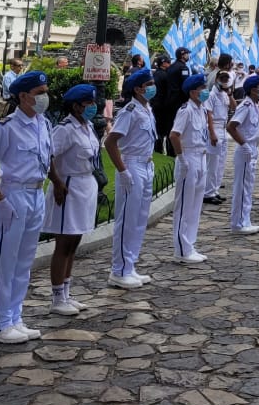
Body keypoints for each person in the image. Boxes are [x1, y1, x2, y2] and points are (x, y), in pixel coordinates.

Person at [0, 71, 54, 343]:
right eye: (39, 93)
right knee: (5, 261)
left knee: (24, 261)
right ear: (23, 96)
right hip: (13, 193)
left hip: (36, 193)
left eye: (45, 91)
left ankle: (15, 316)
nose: (44, 98)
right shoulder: (7, 127)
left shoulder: (43, 124)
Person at [43, 84, 100, 317]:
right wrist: (57, 183)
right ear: (76, 106)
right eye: (88, 104)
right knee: (64, 243)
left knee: (75, 242)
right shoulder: (65, 129)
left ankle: (66, 292)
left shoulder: (86, 127)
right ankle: (57, 297)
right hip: (69, 186)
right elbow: (48, 156)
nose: (92, 107)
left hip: (85, 185)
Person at [105, 68, 158, 289]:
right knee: (127, 219)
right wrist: (123, 170)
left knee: (139, 219)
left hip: (145, 164)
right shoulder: (130, 110)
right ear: (138, 88)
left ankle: (130, 265)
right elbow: (110, 142)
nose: (153, 87)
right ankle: (119, 269)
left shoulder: (147, 108)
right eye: (150, 83)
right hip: (132, 164)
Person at [169, 72, 216, 263]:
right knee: (184, 206)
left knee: (196, 205)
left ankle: (190, 245)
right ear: (193, 92)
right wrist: (181, 158)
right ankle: (181, 248)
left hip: (201, 156)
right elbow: (174, 135)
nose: (205, 91)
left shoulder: (202, 110)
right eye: (202, 88)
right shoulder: (186, 110)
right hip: (188, 156)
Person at [227, 73, 259, 235]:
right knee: (242, 187)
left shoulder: (254, 105)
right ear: (253, 90)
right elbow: (231, 126)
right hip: (245, 150)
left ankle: (245, 219)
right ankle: (239, 223)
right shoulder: (246, 106)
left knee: (247, 187)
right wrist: (244, 145)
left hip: (251, 149)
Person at [204, 55, 235, 205]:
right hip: (215, 127)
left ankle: (214, 189)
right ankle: (208, 192)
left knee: (220, 162)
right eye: (222, 79)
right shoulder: (212, 95)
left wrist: (229, 92)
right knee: (212, 162)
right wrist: (212, 133)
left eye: (226, 79)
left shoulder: (223, 94)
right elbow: (209, 114)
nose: (224, 81)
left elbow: (233, 106)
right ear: (217, 80)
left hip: (223, 128)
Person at [158, 47, 190, 156]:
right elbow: (186, 85)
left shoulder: (170, 68)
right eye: (187, 54)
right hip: (179, 101)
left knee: (170, 127)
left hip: (169, 101)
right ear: (182, 55)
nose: (188, 56)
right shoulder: (183, 68)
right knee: (179, 128)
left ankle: (170, 150)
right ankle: (177, 151)